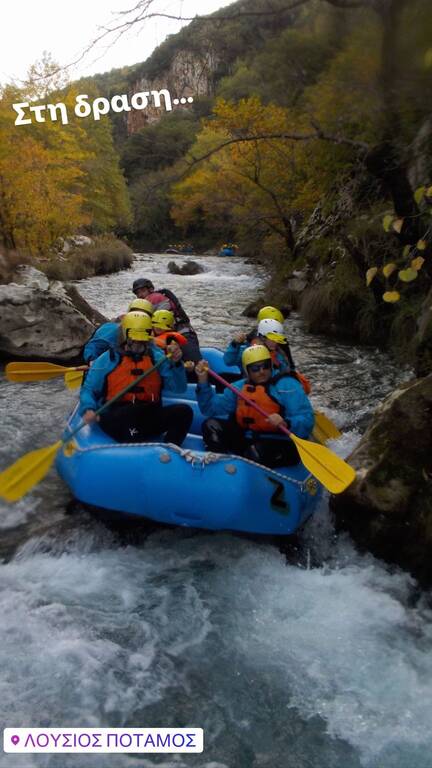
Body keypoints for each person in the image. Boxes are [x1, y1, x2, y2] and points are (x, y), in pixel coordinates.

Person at [80, 312, 192, 446]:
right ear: (125, 336)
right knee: (131, 413)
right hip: (117, 416)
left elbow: (179, 388)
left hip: (147, 413)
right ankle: (136, 445)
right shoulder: (108, 359)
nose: (138, 344)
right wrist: (88, 408)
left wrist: (176, 364)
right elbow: (89, 389)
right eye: (135, 338)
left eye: (142, 338)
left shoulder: (156, 357)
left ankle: (170, 450)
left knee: (184, 412)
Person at [195, 344, 314, 468]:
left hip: (280, 441)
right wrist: (203, 381)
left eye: (265, 366)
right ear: (247, 371)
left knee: (255, 452)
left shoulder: (288, 386)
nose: (262, 371)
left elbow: (307, 419)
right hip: (248, 437)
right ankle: (220, 469)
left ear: (271, 365)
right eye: (255, 368)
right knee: (210, 425)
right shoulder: (238, 387)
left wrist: (286, 423)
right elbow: (210, 408)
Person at [132, 278, 201, 362]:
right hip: (167, 335)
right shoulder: (146, 302)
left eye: (143, 291)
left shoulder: (155, 297)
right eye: (137, 293)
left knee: (193, 361)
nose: (140, 295)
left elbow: (139, 318)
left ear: (150, 289)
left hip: (183, 333)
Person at [82, 298, 154, 364]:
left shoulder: (148, 335)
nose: (139, 319)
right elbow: (94, 346)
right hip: (104, 363)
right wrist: (92, 360)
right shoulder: (112, 330)